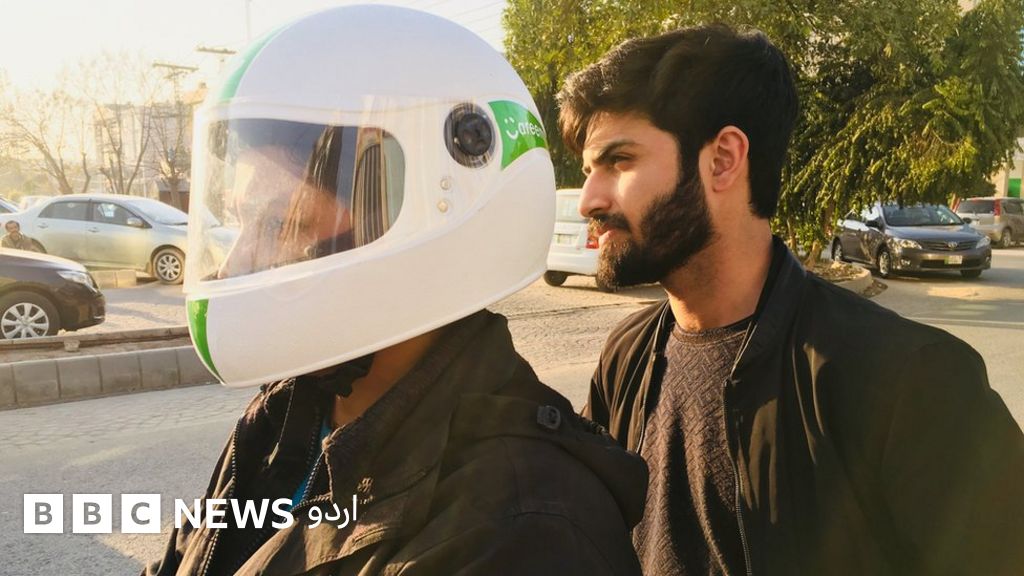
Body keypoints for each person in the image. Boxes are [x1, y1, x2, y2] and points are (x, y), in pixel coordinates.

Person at [142, 6, 646, 576]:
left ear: (430, 209)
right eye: (243, 222)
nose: (236, 264)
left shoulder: (527, 532)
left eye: (281, 222)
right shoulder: (286, 413)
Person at [558, 23, 1024, 575]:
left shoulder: (908, 381)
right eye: (589, 171)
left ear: (723, 159)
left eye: (619, 161)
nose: (588, 199)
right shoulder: (626, 357)